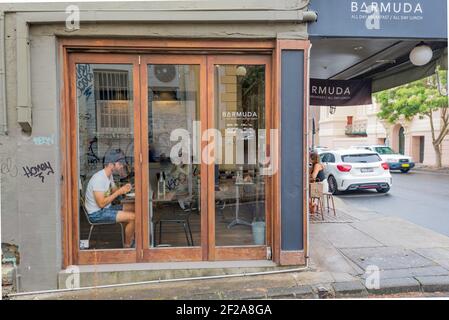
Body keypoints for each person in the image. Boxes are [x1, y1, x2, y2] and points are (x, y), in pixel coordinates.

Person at [85, 149, 135, 248]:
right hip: (97, 213)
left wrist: (126, 189)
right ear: (111, 164)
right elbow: (101, 204)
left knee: (133, 207)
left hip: (106, 209)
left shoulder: (109, 175)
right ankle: (128, 246)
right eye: (120, 164)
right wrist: (119, 192)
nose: (121, 166)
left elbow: (114, 190)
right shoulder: (99, 179)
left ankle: (131, 237)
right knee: (133, 217)